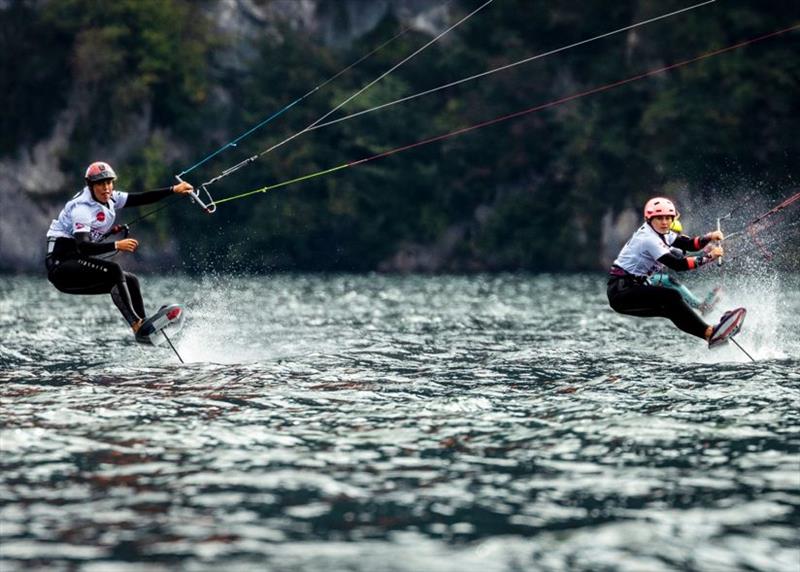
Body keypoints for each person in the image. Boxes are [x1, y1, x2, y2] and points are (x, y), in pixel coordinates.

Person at [45, 161, 193, 336]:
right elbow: (83, 246)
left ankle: (144, 325)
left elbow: (141, 198)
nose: (106, 188)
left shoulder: (112, 197)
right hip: (61, 266)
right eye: (100, 184)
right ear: (90, 186)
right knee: (115, 269)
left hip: (75, 261)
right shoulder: (82, 209)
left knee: (130, 280)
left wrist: (173, 190)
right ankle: (137, 324)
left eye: (109, 183)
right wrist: (117, 244)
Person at [607, 196, 738, 346]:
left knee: (670, 307)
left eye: (668, 218)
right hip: (621, 292)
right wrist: (709, 257)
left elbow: (689, 244)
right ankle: (709, 332)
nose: (664, 222)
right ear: (649, 219)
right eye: (659, 218)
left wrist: (709, 237)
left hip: (634, 288)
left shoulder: (663, 233)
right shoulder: (648, 238)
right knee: (671, 296)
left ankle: (709, 335)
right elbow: (677, 264)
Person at [648, 216, 721, 315]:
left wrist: (705, 250)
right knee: (669, 280)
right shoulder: (659, 243)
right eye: (674, 232)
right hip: (644, 280)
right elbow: (681, 259)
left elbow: (684, 254)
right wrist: (706, 254)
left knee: (674, 282)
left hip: (654, 279)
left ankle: (702, 304)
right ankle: (701, 306)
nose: (676, 236)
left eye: (678, 233)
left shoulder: (671, 243)